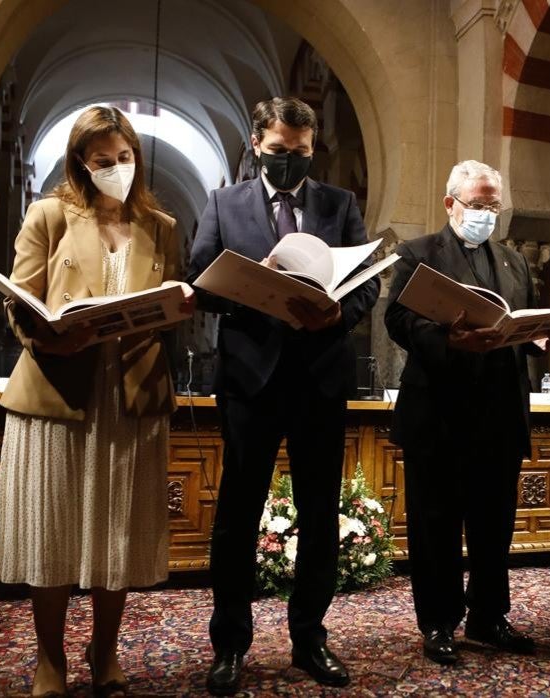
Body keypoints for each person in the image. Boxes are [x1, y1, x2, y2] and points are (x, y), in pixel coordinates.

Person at [0, 105, 195, 697]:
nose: (117, 169)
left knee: (119, 531)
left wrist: (176, 307)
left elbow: (167, 299)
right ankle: (48, 658)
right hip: (61, 390)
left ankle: (104, 650)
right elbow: (18, 301)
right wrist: (54, 332)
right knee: (53, 529)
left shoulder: (162, 225)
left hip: (130, 394)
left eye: (126, 158)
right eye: (104, 161)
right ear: (81, 162)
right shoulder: (48, 215)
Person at [186, 97, 379, 694]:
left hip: (319, 378)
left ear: (312, 148)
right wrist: (254, 284)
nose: (288, 162)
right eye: (277, 152)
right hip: (250, 380)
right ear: (255, 144)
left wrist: (336, 314)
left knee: (321, 514)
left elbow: (367, 287)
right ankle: (231, 646)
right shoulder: (224, 203)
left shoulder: (340, 204)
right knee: (238, 516)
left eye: (299, 153)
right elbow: (200, 278)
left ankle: (310, 638)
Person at [384, 160, 550, 665]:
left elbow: (517, 324)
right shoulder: (418, 253)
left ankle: (489, 616)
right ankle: (439, 622)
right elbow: (398, 320)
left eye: (492, 206)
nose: (486, 214)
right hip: (438, 414)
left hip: (499, 415)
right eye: (477, 204)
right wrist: (448, 338)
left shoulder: (513, 261)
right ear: (451, 204)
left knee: (494, 524)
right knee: (434, 524)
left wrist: (541, 337)